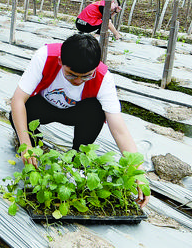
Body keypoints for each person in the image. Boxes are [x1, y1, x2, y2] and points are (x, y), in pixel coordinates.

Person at [9, 34, 148, 206]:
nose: (78, 81)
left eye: (86, 76)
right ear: (60, 61)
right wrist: (26, 144)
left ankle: (77, 161)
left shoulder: (104, 78)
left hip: (76, 112)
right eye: (71, 75)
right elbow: (17, 100)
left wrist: (138, 172)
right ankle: (35, 146)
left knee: (97, 111)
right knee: (19, 113)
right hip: (43, 106)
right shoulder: (45, 57)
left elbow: (119, 129)